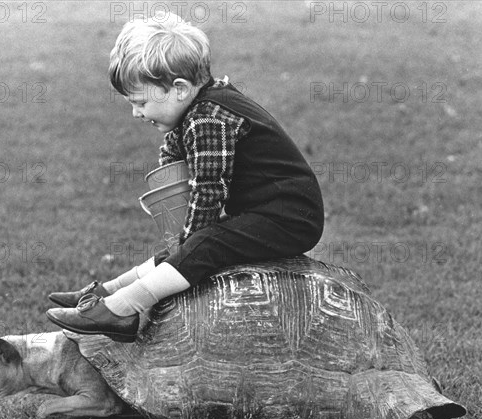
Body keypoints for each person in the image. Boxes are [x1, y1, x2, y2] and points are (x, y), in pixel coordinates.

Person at [46, 13, 324, 342]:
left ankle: (122, 310)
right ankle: (106, 294)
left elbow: (208, 191)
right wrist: (175, 220)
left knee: (201, 244)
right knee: (187, 247)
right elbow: (174, 156)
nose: (136, 113)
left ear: (178, 89)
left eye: (141, 102)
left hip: (289, 217)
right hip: (263, 211)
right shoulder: (196, 108)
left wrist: (186, 242)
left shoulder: (208, 118)